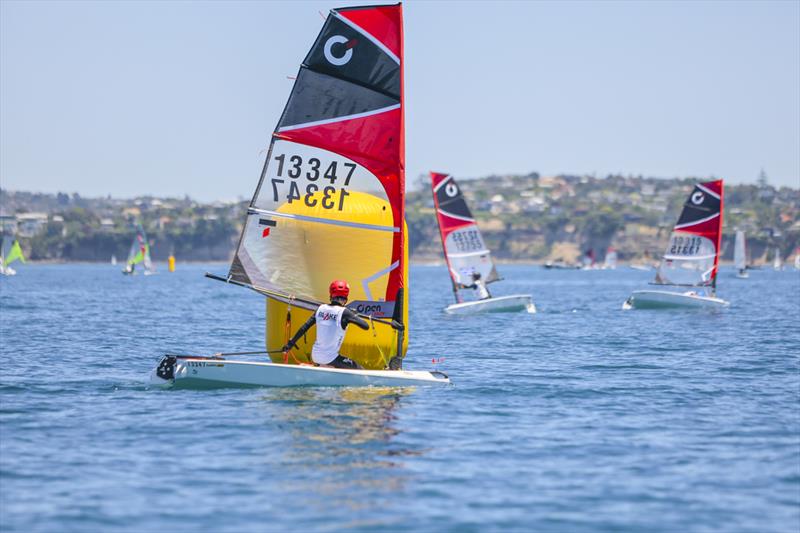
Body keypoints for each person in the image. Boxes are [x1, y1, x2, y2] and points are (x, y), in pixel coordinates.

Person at [282, 279, 369, 369]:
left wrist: (290, 345)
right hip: (330, 358)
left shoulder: (320, 308)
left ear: (331, 295)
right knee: (360, 369)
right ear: (346, 297)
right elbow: (366, 326)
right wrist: (355, 315)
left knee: (334, 362)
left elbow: (304, 327)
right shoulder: (345, 312)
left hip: (315, 355)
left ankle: (325, 368)